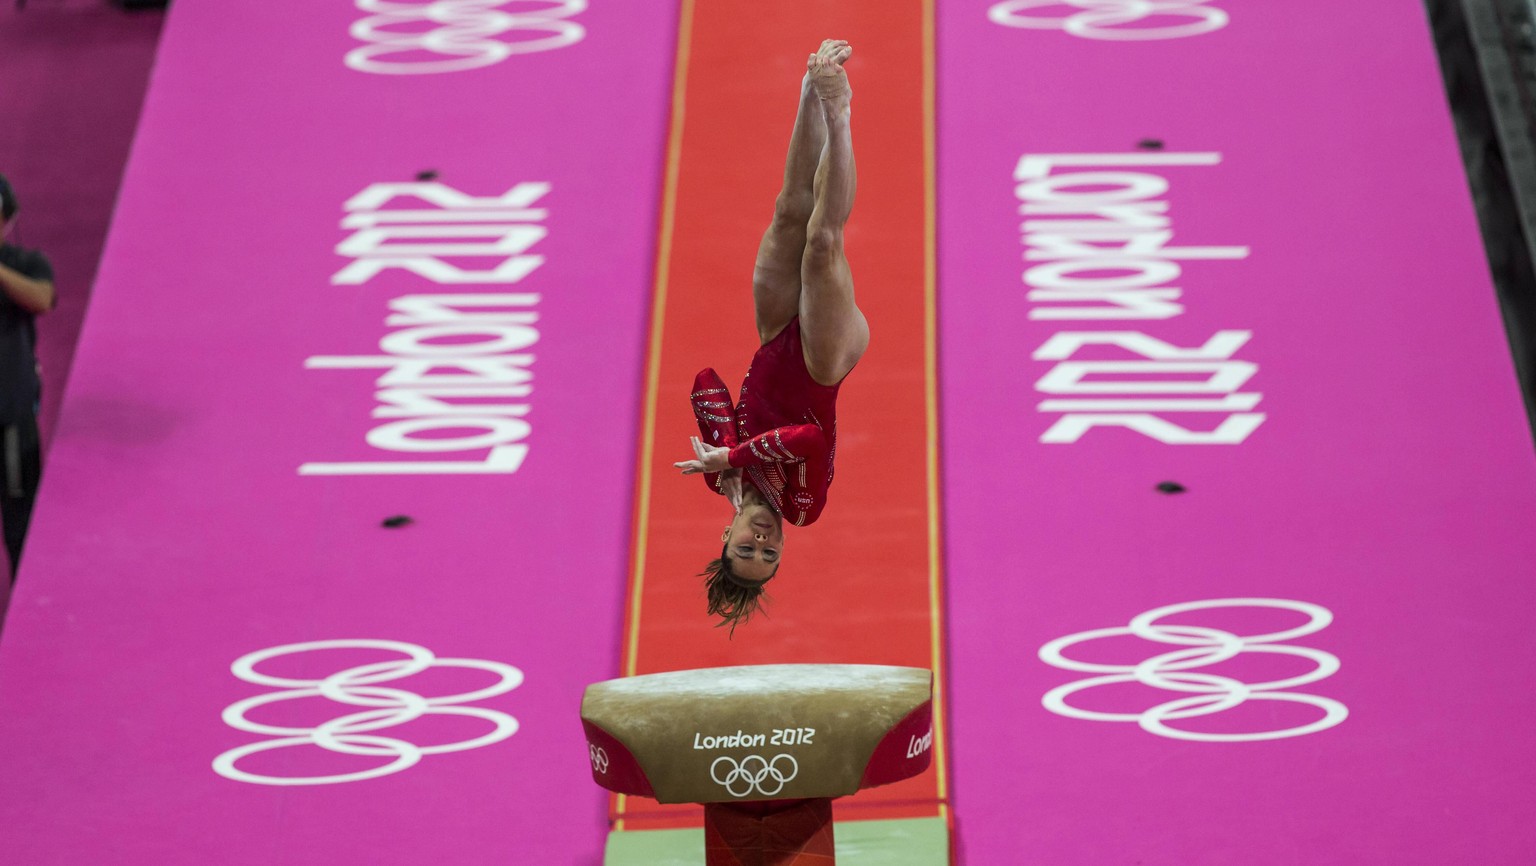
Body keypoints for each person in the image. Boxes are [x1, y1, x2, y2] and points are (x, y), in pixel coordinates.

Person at [674, 40, 869, 632]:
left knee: (788, 210)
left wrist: (726, 456)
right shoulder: (801, 509)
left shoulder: (718, 477)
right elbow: (808, 438)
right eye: (769, 555)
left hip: (772, 336)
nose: (763, 542)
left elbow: (705, 380)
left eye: (746, 550)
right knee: (821, 243)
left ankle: (812, 89)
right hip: (823, 360)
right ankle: (840, 115)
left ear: (725, 534)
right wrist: (733, 453)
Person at [0, 174, 57, 580]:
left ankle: (22, 599)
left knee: (20, 520)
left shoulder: (26, 264)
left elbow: (41, 299)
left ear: (10, 218)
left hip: (11, 420)